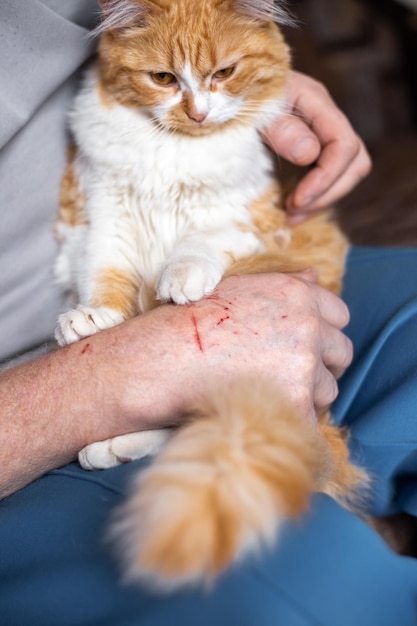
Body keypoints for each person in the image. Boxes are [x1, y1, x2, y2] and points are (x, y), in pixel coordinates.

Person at [1, 2, 416, 624]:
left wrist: (253, 78)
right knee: (307, 580)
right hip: (37, 405)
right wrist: (102, 383)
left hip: (196, 239)